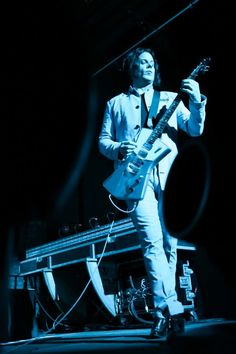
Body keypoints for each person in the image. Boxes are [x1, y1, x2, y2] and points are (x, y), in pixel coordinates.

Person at [98, 47, 207, 338]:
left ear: (155, 70)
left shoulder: (171, 99)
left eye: (150, 63)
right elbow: (103, 142)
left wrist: (196, 99)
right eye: (140, 62)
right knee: (151, 241)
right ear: (131, 68)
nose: (145, 66)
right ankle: (170, 310)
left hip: (169, 177)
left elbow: (195, 130)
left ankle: (164, 314)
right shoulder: (115, 103)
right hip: (136, 180)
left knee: (170, 245)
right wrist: (119, 147)